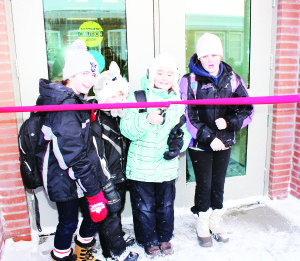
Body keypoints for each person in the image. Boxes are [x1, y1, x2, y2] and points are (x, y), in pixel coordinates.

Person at [36, 39, 112, 261]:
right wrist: (93, 191)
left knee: (92, 216)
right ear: (70, 75)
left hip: (79, 175)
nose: (89, 80)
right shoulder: (64, 106)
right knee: (68, 222)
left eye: (92, 75)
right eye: (83, 74)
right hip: (64, 177)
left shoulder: (77, 100)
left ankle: (82, 253)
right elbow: (71, 153)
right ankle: (62, 256)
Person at [179, 33, 254, 247]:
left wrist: (230, 123)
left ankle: (216, 221)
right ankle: (202, 222)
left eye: (214, 54)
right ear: (198, 57)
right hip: (201, 143)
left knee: (218, 183)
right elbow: (188, 116)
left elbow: (248, 109)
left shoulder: (233, 79)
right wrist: (209, 138)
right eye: (205, 56)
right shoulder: (189, 81)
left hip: (225, 142)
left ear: (220, 55)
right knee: (204, 184)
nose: (210, 60)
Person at [120, 54, 192, 258]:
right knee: (144, 207)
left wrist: (179, 145)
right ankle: (148, 239)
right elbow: (126, 129)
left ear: (174, 77)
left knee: (166, 206)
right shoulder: (138, 97)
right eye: (160, 72)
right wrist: (146, 120)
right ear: (151, 74)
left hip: (166, 166)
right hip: (141, 167)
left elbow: (184, 129)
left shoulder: (177, 101)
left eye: (169, 74)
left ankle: (164, 237)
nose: (164, 77)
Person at [90, 61, 139, 261]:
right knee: (109, 215)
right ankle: (115, 251)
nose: (118, 99)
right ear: (103, 97)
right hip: (106, 177)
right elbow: (97, 153)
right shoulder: (98, 119)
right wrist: (105, 180)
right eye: (113, 95)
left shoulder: (121, 116)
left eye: (121, 94)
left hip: (120, 174)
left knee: (116, 211)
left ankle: (114, 241)